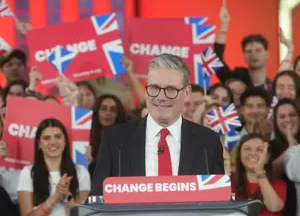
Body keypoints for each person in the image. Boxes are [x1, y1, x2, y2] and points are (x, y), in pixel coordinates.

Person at [90, 53, 224, 195]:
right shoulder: (115, 140)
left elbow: (219, 202)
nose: (161, 97)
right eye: (154, 88)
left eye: (171, 89)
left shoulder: (208, 142)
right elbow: (97, 201)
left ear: (186, 92)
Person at [17, 118, 90, 216]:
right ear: (39, 144)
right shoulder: (28, 173)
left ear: (65, 141)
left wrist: (66, 196)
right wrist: (54, 198)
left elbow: (85, 214)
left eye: (58, 136)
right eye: (47, 138)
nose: (53, 142)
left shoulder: (81, 171)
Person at [232, 134, 286, 216]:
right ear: (239, 155)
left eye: (260, 150)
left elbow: (274, 207)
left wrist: (259, 170)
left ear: (267, 158)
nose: (253, 153)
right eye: (247, 149)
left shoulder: (278, 184)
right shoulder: (228, 182)